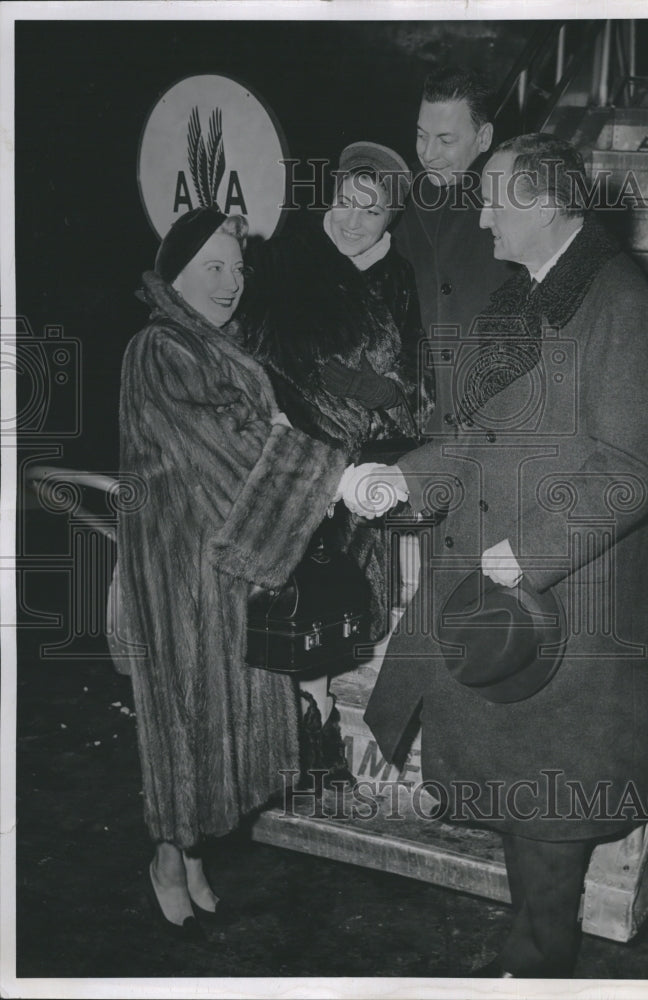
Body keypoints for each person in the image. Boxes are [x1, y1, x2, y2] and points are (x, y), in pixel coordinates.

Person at [353, 134, 648, 977]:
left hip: (563, 611)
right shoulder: (524, 297)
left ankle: (534, 974)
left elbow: (635, 467)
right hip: (513, 609)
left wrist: (519, 556)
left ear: (540, 202)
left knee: (550, 823)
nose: (482, 213)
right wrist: (399, 481)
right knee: (523, 812)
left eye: (495, 197)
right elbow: (471, 441)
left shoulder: (617, 303)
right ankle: (527, 963)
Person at [116, 207, 349, 936]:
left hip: (222, 561)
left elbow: (255, 435)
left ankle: (190, 854)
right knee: (182, 716)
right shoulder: (161, 348)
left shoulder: (210, 344)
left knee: (213, 719)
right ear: (178, 274)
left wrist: (295, 442)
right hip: (180, 568)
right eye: (213, 267)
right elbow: (223, 449)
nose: (230, 282)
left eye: (237, 267)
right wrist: (326, 474)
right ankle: (167, 855)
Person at [243, 142, 433, 782]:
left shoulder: (398, 280)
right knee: (281, 594)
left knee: (329, 597)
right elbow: (250, 353)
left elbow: (410, 384)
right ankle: (293, 729)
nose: (352, 220)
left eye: (371, 210)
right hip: (283, 454)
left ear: (391, 218)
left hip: (357, 468)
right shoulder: (286, 258)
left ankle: (316, 720)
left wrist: (369, 394)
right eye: (346, 202)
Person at [393, 65, 513, 432]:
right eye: (420, 135)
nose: (428, 154)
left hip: (498, 420)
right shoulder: (399, 192)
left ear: (484, 137)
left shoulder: (520, 197)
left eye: (446, 140)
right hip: (422, 422)